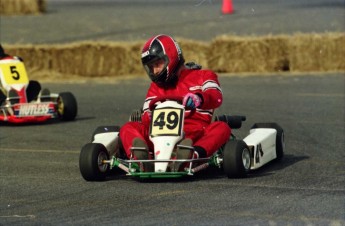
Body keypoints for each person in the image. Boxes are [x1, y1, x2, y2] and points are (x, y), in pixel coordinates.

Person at [119, 34, 231, 168]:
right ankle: (141, 159)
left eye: (157, 64)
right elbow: (146, 114)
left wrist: (199, 98)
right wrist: (149, 117)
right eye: (151, 67)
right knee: (128, 127)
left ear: (170, 57)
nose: (154, 70)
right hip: (158, 135)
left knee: (221, 127)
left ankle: (191, 155)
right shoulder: (156, 87)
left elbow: (216, 96)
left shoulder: (203, 76)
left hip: (194, 134)